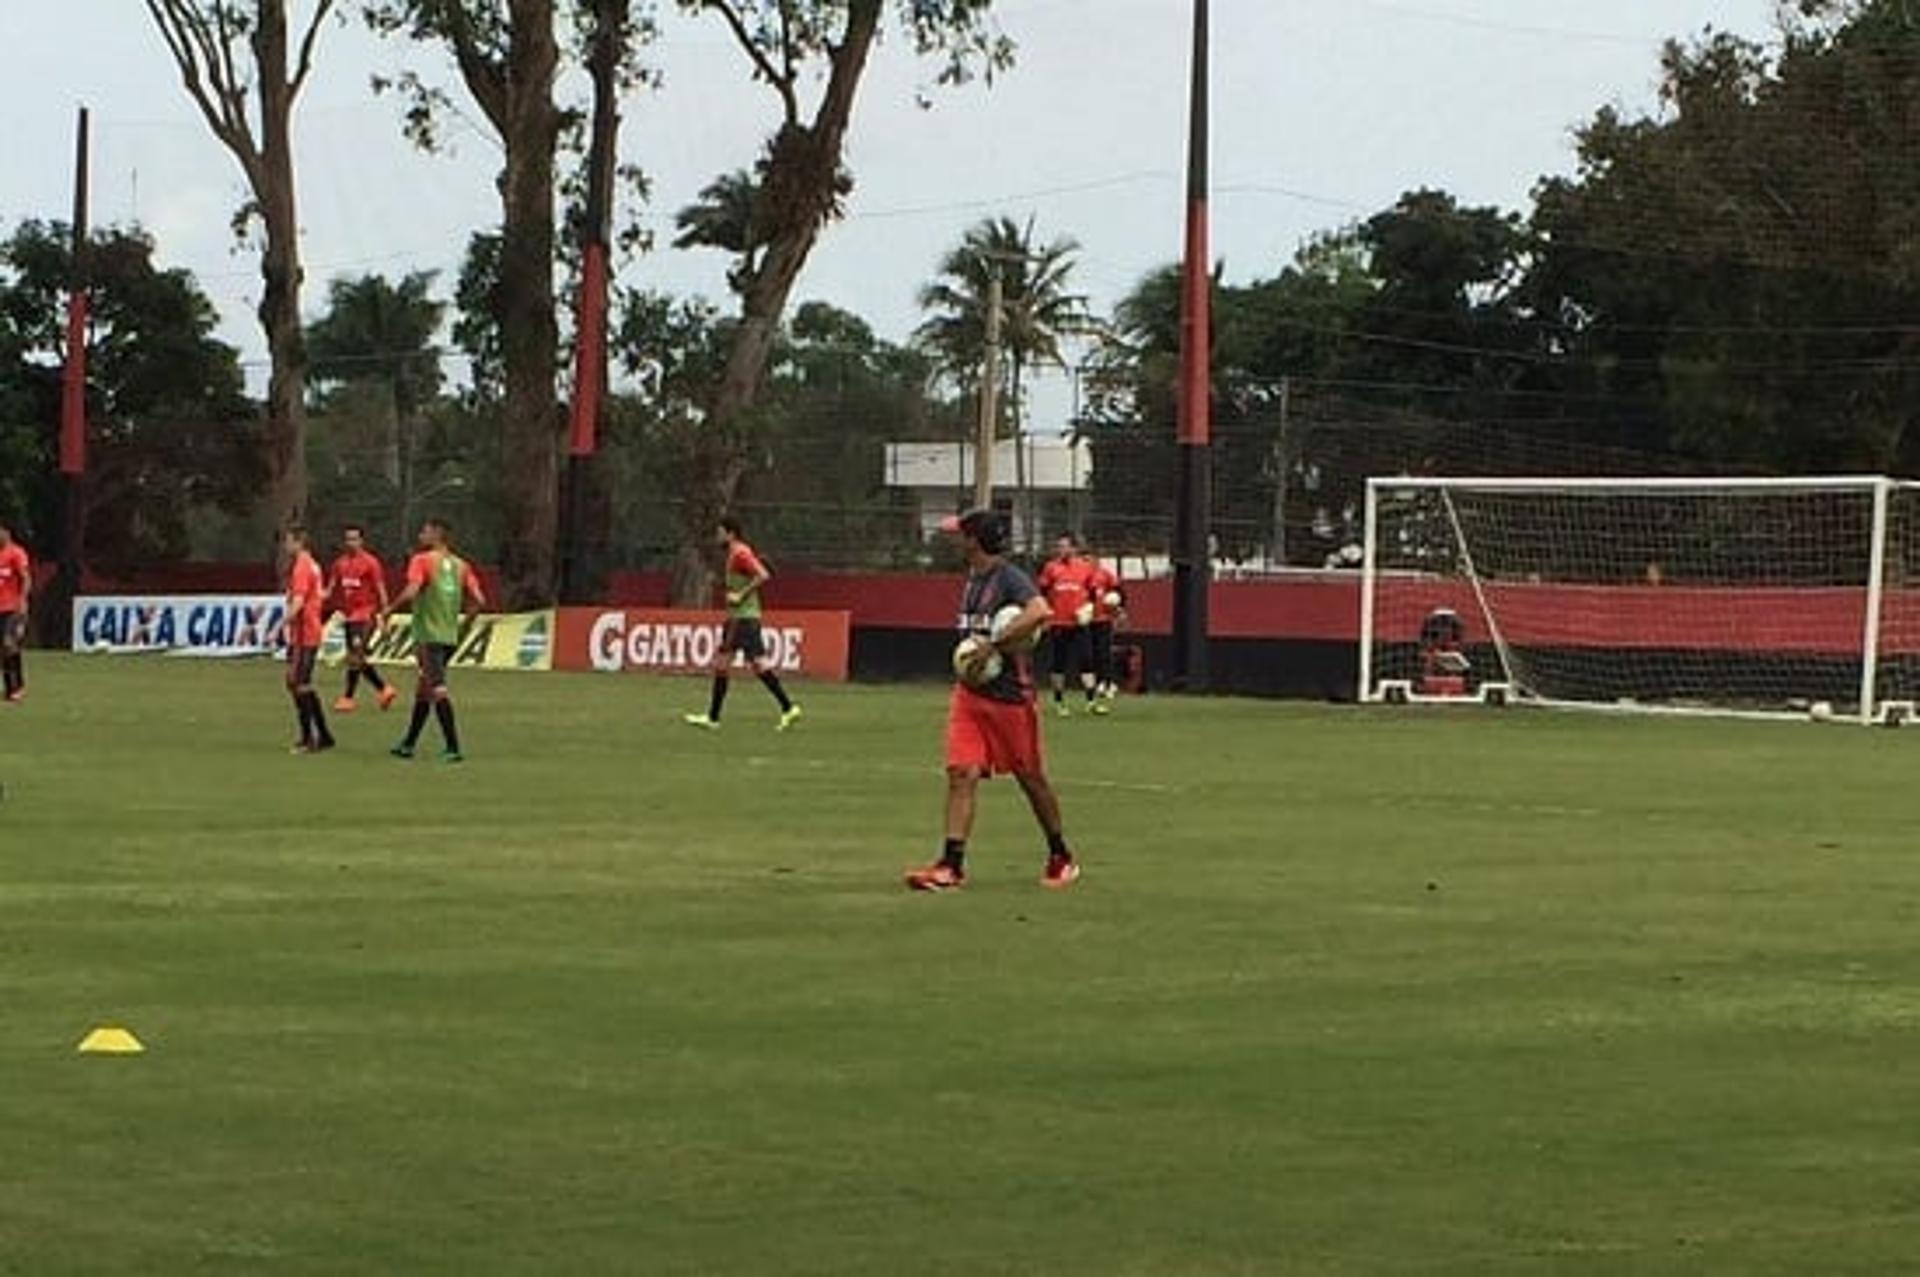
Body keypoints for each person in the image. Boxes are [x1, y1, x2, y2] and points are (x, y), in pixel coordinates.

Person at [905, 508, 1081, 892]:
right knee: (960, 773)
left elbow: (1040, 611)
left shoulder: (1009, 578)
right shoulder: (973, 578)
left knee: (1031, 779)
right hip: (970, 696)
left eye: (960, 534)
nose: (954, 539)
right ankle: (951, 865)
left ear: (974, 541)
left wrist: (994, 645)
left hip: (1010, 701)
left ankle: (1060, 853)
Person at [683, 515, 803, 732]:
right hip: (746, 618)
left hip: (741, 618)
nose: (718, 537)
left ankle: (713, 718)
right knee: (758, 665)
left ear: (731, 534)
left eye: (720, 533)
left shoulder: (740, 553)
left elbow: (763, 575)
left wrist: (740, 595)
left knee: (722, 664)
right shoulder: (734, 554)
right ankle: (788, 707)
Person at [384, 518, 486, 762]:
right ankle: (408, 744)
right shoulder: (462, 566)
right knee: (424, 689)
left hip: (428, 636)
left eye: (425, 531)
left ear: (437, 534)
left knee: (437, 689)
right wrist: (465, 625)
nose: (421, 534)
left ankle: (453, 747)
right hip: (449, 636)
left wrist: (389, 610)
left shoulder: (422, 561)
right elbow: (479, 600)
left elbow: (411, 590)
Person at [326, 524, 396, 713]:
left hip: (365, 615)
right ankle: (383, 689)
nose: (351, 543)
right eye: (348, 539)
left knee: (355, 656)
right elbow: (331, 589)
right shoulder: (339, 564)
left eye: (355, 539)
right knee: (355, 658)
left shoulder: (371, 563)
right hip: (349, 617)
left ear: (361, 541)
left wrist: (385, 613)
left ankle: (348, 698)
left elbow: (381, 588)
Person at [1035, 532, 1106, 717]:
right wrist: (1045, 614)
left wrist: (1089, 608)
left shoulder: (1085, 567)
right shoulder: (1051, 568)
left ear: (1074, 548)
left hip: (1079, 623)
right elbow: (1041, 592)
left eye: (1065, 546)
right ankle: (1060, 703)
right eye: (1059, 546)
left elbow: (1093, 591)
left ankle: (1091, 702)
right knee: (1059, 663)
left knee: (1086, 660)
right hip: (1059, 623)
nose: (1062, 550)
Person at [282, 525, 335, 753]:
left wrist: (282, 623)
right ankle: (323, 735)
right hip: (306, 632)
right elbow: (318, 595)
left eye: (288, 541)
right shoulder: (312, 564)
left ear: (298, 542)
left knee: (299, 684)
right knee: (296, 683)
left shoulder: (302, 567)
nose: (285, 546)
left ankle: (309, 738)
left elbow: (300, 599)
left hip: (305, 634)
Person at [0, 521, 32, 703]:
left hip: (11, 607)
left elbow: (26, 578)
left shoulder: (16, 553)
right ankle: (8, 688)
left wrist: (23, 600)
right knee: (3, 650)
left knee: (9, 644)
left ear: (7, 532)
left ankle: (18, 686)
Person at [1087, 549, 1124, 702]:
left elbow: (1118, 593)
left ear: (1097, 560)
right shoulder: (1082, 576)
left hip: (1104, 620)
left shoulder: (1106, 575)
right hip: (1089, 619)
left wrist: (1119, 609)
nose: (1088, 563)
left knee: (1104, 652)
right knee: (1093, 653)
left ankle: (1108, 683)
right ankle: (1100, 682)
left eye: (1090, 559)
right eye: (1085, 560)